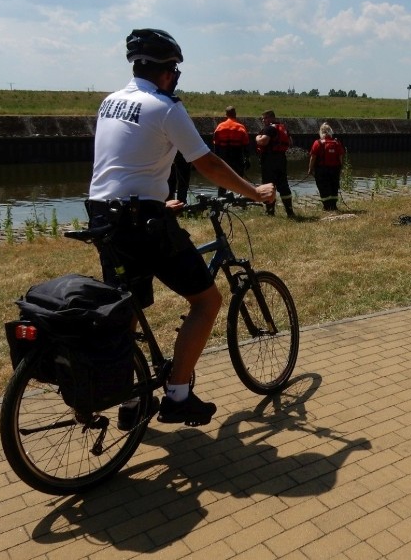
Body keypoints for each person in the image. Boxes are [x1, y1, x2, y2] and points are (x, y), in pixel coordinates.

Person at [87, 28, 276, 426]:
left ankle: (129, 401)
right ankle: (177, 395)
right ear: (169, 71)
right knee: (207, 302)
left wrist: (157, 198)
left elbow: (126, 162)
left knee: (129, 307)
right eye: (175, 70)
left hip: (105, 216)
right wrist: (254, 192)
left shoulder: (109, 103)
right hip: (139, 220)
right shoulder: (165, 107)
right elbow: (206, 163)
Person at [255, 109, 295, 218]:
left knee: (269, 185)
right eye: (263, 118)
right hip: (281, 159)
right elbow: (290, 142)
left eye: (265, 118)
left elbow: (264, 141)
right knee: (283, 185)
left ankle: (270, 212)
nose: (263, 120)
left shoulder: (269, 129)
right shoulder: (283, 128)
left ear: (272, 118)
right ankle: (290, 211)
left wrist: (257, 138)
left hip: (269, 160)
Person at [212, 106, 251, 197]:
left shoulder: (220, 127)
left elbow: (216, 145)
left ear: (226, 115)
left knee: (222, 182)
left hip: (224, 157)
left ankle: (220, 201)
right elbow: (246, 145)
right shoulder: (241, 127)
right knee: (240, 182)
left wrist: (216, 160)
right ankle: (241, 204)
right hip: (237, 157)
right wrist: (247, 159)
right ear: (235, 114)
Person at [307, 122, 345, 211]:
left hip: (322, 170)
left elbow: (313, 157)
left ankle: (327, 207)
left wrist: (310, 169)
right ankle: (334, 206)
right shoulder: (336, 142)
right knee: (334, 187)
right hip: (335, 169)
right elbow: (340, 156)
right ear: (330, 131)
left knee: (323, 187)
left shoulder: (317, 143)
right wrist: (340, 168)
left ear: (321, 132)